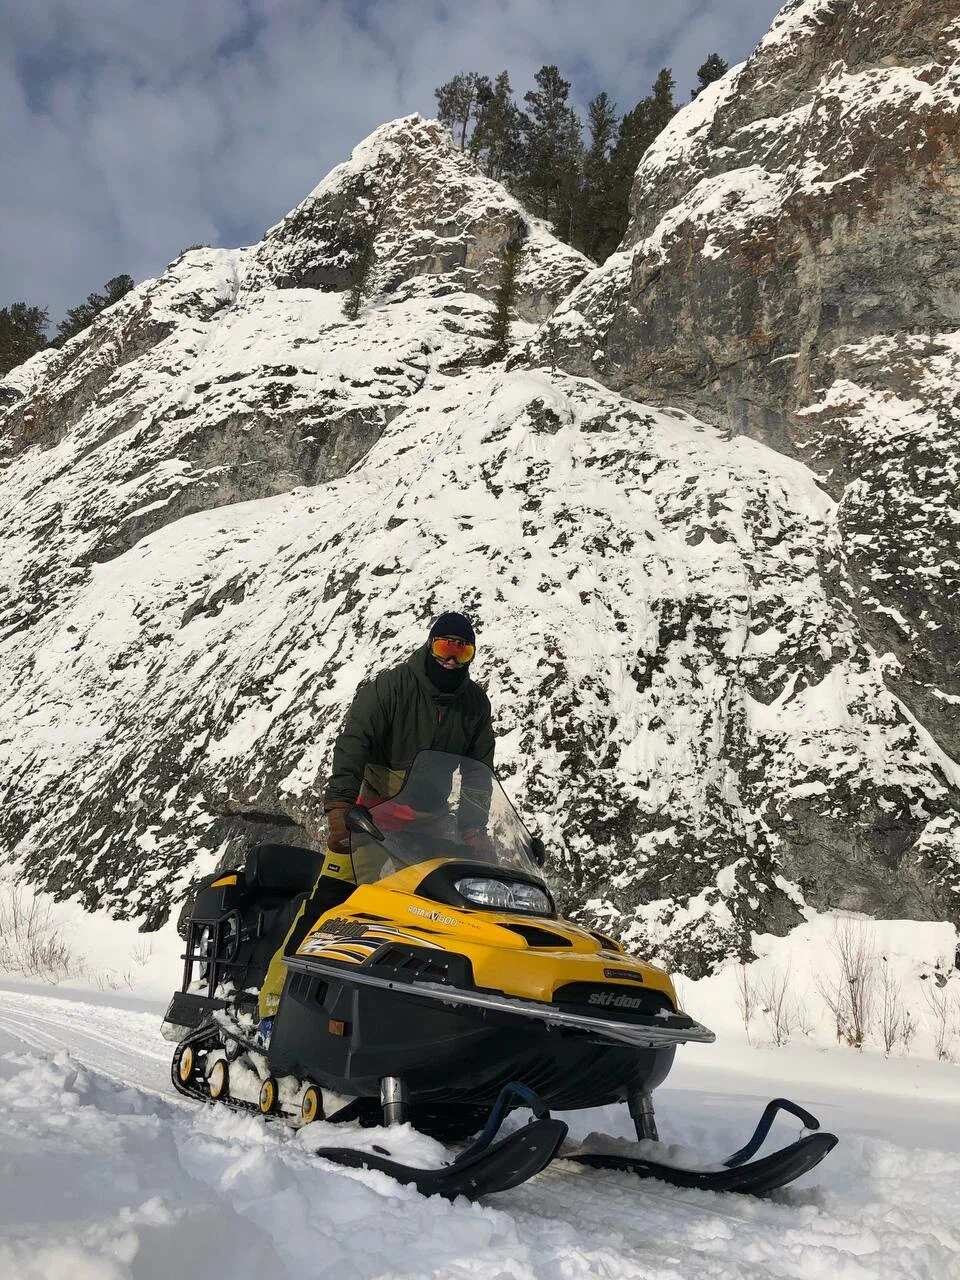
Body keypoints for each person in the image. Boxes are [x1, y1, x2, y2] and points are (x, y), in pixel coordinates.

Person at [256, 611, 494, 1025]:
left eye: (462, 651)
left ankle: (415, 1015)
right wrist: (340, 808)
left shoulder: (474, 704)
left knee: (438, 915)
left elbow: (478, 771)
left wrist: (473, 827)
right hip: (372, 816)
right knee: (330, 902)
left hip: (428, 823)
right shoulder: (391, 687)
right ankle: (274, 1008)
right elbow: (353, 743)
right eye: (444, 647)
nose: (451, 659)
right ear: (430, 646)